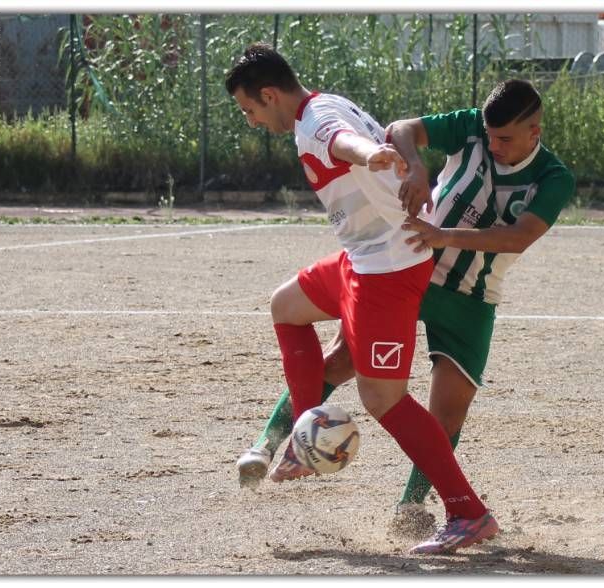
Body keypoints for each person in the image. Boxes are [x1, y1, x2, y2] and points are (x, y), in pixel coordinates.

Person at [237, 78, 576, 536]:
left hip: (472, 297)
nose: (493, 144)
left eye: (505, 139)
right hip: (410, 265)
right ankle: (274, 442)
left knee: (448, 411)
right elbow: (401, 129)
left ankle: (411, 508)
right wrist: (416, 166)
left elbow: (519, 237)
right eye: (490, 136)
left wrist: (445, 236)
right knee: (342, 361)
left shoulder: (554, 177)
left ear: (535, 131)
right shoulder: (472, 126)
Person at [224, 42, 498, 555]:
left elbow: (343, 142)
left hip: (388, 270)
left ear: (268, 94)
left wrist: (370, 154)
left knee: (382, 399)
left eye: (250, 110)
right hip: (362, 258)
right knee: (286, 306)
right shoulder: (325, 102)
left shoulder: (316, 122)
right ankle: (307, 432)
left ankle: (467, 511)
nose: (253, 121)